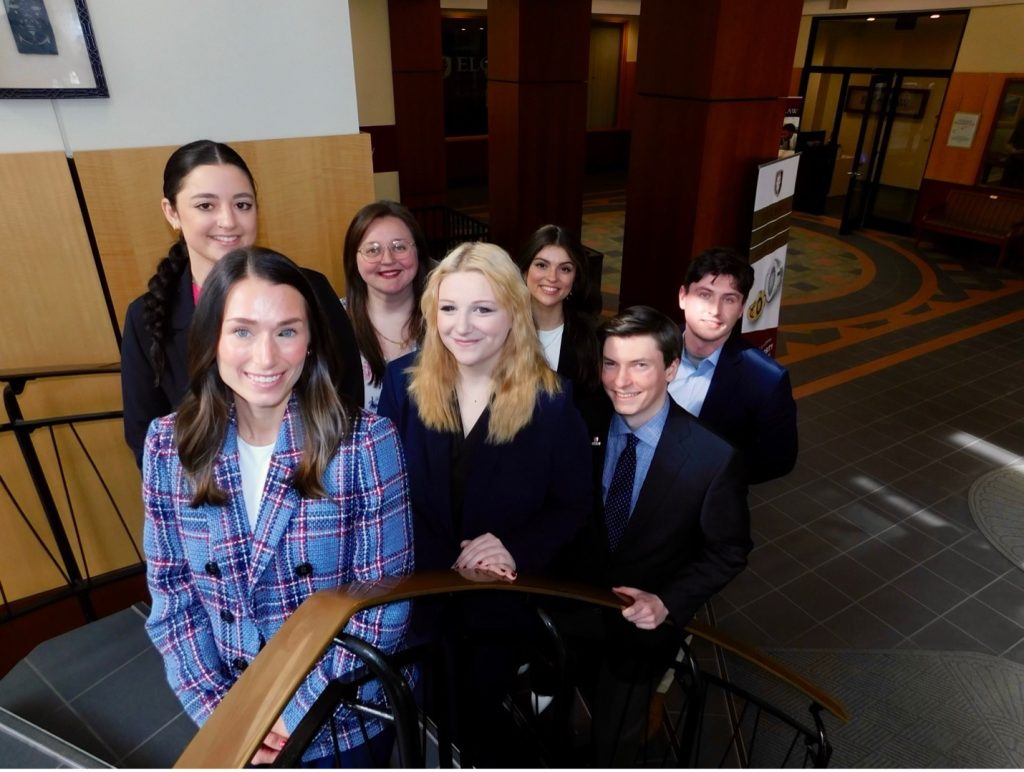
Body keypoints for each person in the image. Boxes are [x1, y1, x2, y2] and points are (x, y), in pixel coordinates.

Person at [142, 247, 414, 767]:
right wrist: (228, 712)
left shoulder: (365, 443)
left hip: (343, 716)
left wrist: (295, 712)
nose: (266, 358)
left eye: (286, 331)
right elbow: (172, 600)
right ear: (212, 341)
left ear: (310, 342)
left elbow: (384, 606)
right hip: (231, 715)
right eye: (242, 331)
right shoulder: (167, 446)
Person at [378, 241, 592, 766]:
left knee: (479, 721)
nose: (463, 326)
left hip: (496, 608)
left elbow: (573, 504)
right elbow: (382, 492)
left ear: (514, 314)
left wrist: (516, 547)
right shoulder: (402, 384)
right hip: (416, 595)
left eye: (483, 308)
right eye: (449, 308)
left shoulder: (553, 402)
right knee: (418, 714)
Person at [559, 305, 752, 765]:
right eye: (611, 363)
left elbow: (730, 550)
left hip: (642, 635)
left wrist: (668, 601)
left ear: (671, 368)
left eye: (639, 365)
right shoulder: (580, 421)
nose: (620, 381)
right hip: (572, 615)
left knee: (617, 741)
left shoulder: (712, 458)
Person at [121, 139, 363, 467]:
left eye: (242, 205)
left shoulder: (310, 289)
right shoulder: (145, 317)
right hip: (206, 497)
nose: (229, 221)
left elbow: (346, 395)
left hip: (314, 481)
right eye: (206, 206)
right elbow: (144, 435)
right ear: (172, 212)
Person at [668, 247, 798, 484]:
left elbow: (780, 459)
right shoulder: (650, 347)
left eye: (729, 299)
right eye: (705, 294)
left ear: (741, 309)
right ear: (683, 297)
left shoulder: (767, 379)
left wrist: (712, 477)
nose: (715, 311)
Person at [516, 224, 609, 439]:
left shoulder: (593, 339)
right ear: (524, 270)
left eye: (565, 269)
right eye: (541, 265)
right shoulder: (501, 331)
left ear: (575, 278)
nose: (552, 277)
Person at [341, 200, 430, 413]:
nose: (388, 259)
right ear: (354, 259)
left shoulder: (447, 316)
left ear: (418, 251)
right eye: (373, 250)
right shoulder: (332, 320)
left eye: (399, 247)